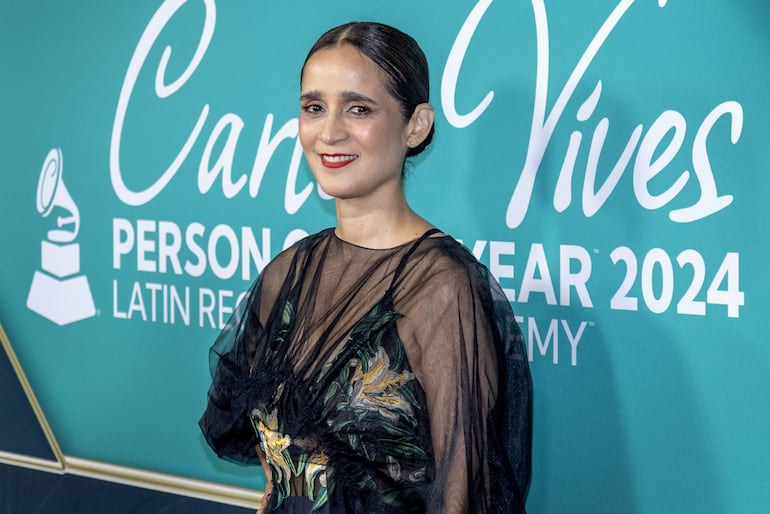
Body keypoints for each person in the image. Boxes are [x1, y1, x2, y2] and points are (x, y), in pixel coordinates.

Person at [200, 21, 532, 514]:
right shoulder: (286, 275)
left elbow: (465, 496)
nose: (330, 132)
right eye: (314, 108)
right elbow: (279, 478)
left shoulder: (442, 289)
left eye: (358, 108)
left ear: (415, 125)